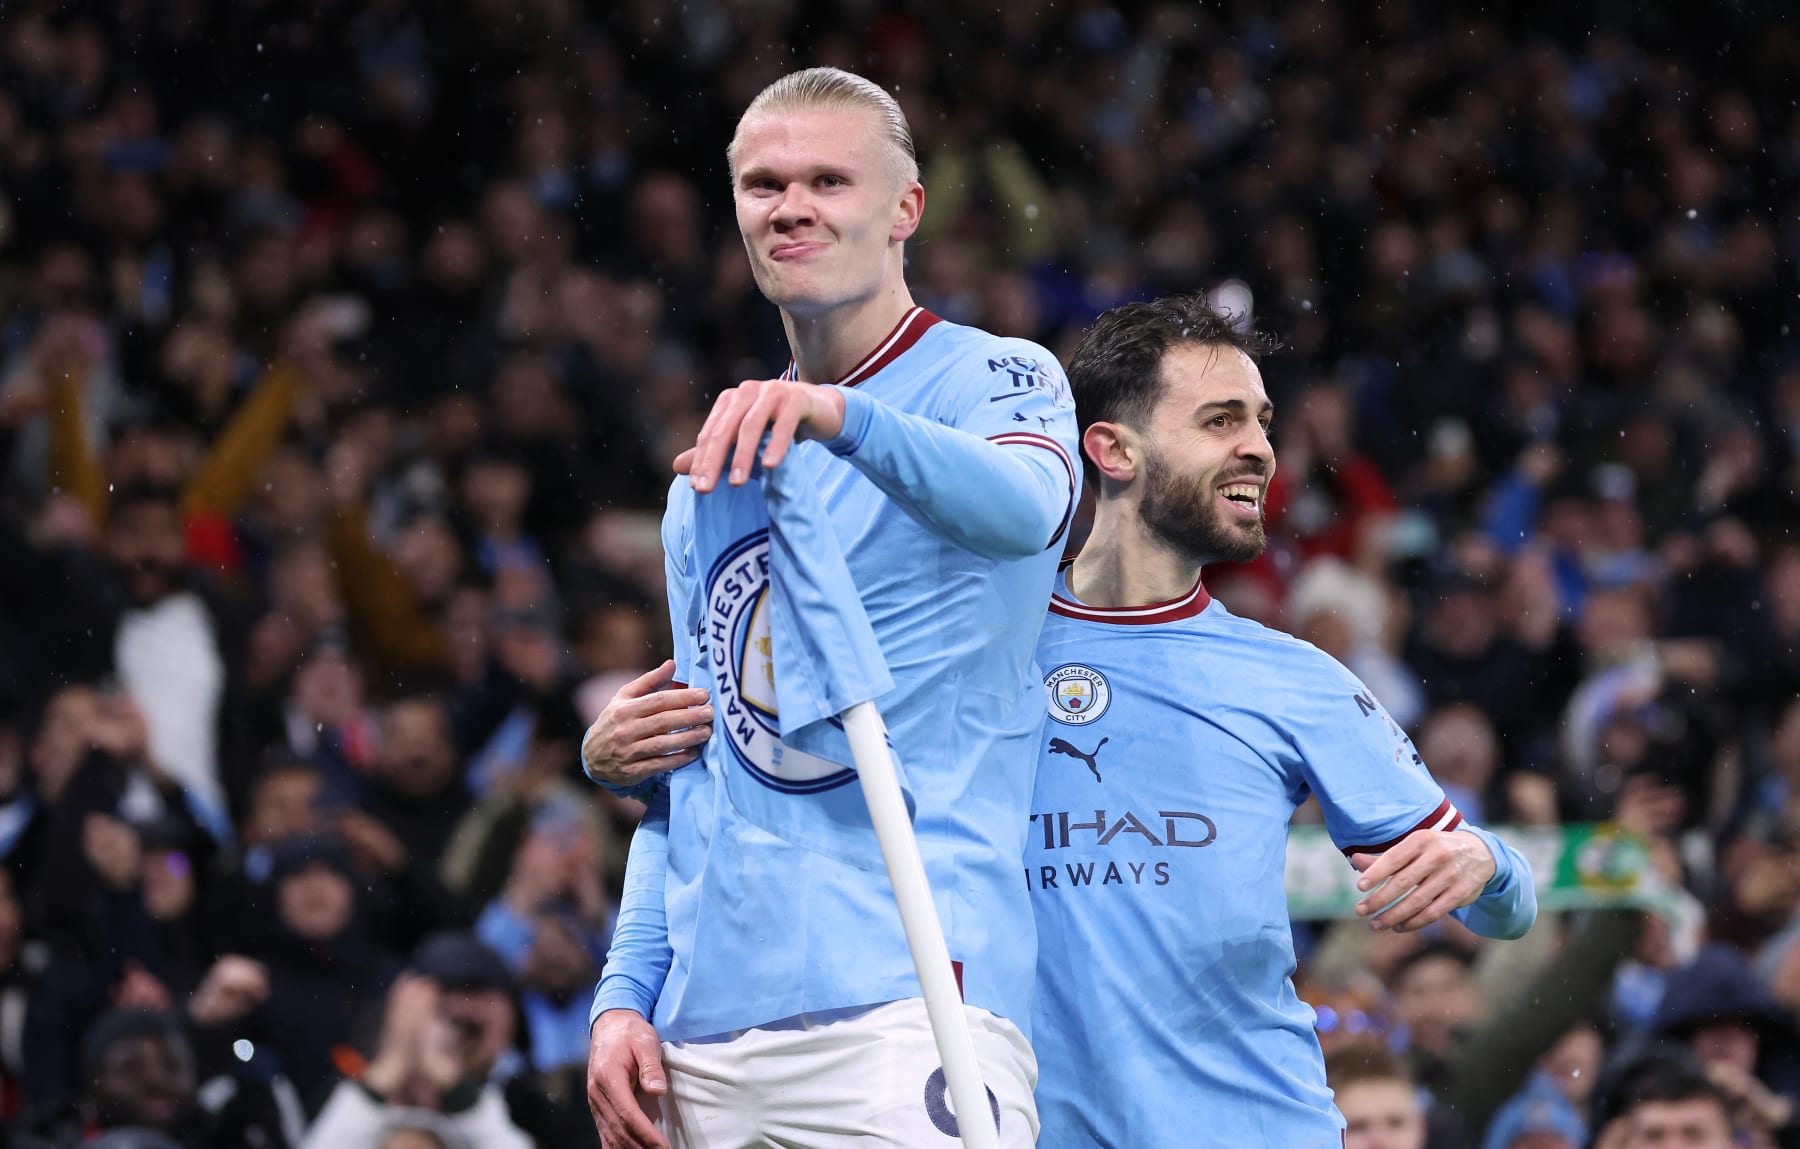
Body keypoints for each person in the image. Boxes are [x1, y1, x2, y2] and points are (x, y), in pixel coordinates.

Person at [579, 67, 1078, 1148]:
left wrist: (836, 415)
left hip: (915, 1003)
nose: (790, 204)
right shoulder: (706, 476)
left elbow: (1026, 509)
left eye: (825, 179)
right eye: (763, 184)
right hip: (705, 1036)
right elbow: (697, 771)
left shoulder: (995, 378)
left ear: (906, 209)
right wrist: (625, 993)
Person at [1027, 295, 1537, 1148]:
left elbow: (1506, 908)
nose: (1260, 448)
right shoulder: (981, 647)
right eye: (1221, 419)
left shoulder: (1294, 677)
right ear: (1112, 448)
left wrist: (1481, 859)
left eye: (1262, 421)